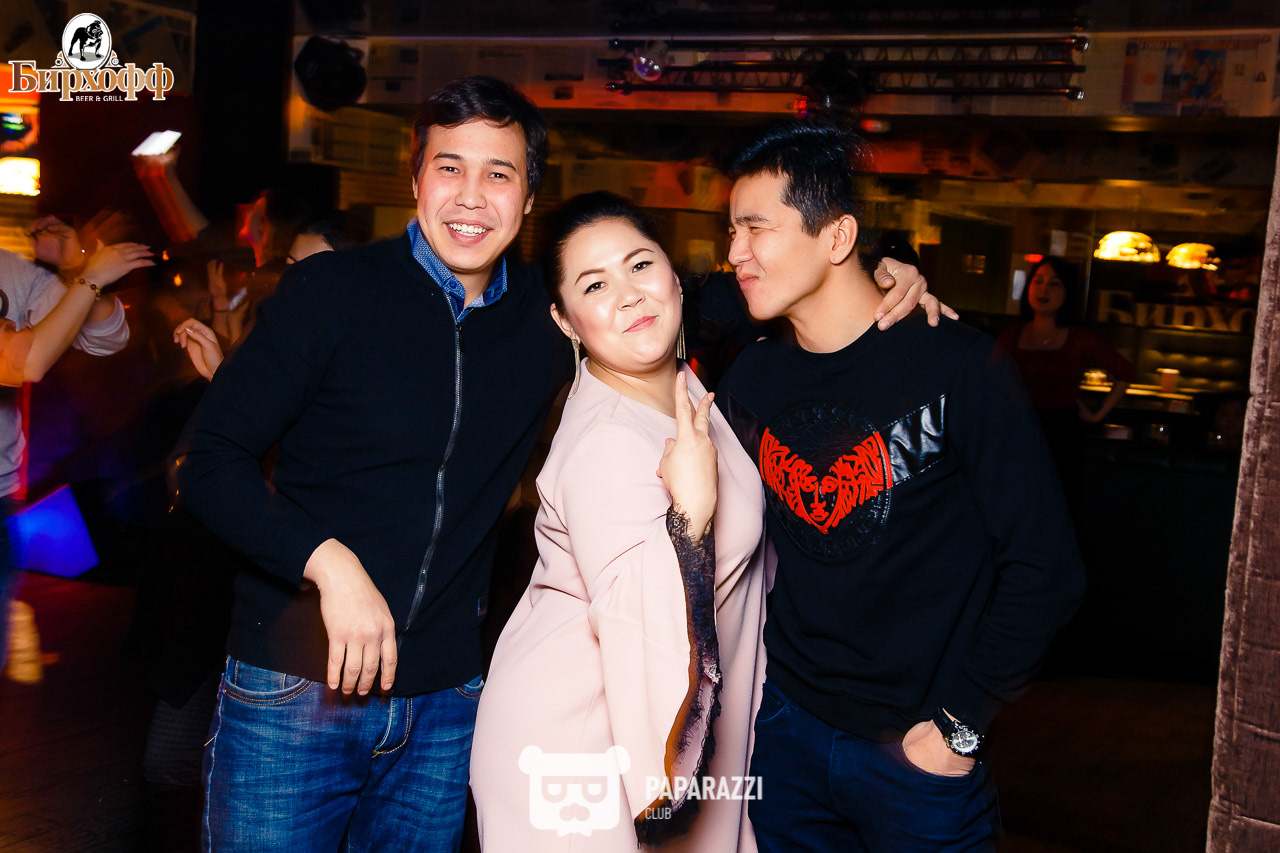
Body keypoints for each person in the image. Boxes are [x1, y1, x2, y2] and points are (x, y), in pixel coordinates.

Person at [179, 76, 936, 852]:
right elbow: (206, 461)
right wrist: (327, 561)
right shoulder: (333, 292)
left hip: (445, 699)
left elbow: (709, 293)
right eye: (450, 167)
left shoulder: (550, 315)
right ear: (415, 178)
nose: (471, 196)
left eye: (499, 173)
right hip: (299, 683)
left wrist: (878, 275)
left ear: (529, 195)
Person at [715, 122, 1086, 851]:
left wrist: (959, 728)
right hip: (788, 731)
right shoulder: (753, 378)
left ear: (837, 236)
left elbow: (1046, 570)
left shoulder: (958, 365)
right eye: (731, 230)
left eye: (756, 227)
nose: (735, 252)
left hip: (918, 756)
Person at [470, 193, 766, 851]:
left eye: (639, 265)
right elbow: (638, 621)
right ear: (566, 319)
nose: (629, 295)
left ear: (673, 273)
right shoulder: (606, 440)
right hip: (580, 745)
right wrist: (689, 515)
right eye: (595, 285)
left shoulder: (684, 389)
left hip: (651, 736)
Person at [0, 218, 151, 670]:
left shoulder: (13, 269)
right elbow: (24, 362)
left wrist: (74, 271)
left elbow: (104, 338)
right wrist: (90, 277)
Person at [995, 256, 1135, 507]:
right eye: (1038, 281)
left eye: (1054, 283)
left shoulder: (1078, 338)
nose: (1043, 290)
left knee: (1055, 503)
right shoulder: (1013, 333)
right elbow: (987, 377)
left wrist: (1097, 415)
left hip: (1060, 436)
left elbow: (1126, 371)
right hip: (1016, 431)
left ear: (1067, 292)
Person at [173, 212, 361, 380]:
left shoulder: (344, 354)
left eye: (310, 274)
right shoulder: (280, 317)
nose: (294, 281)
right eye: (291, 266)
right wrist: (216, 369)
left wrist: (217, 372)